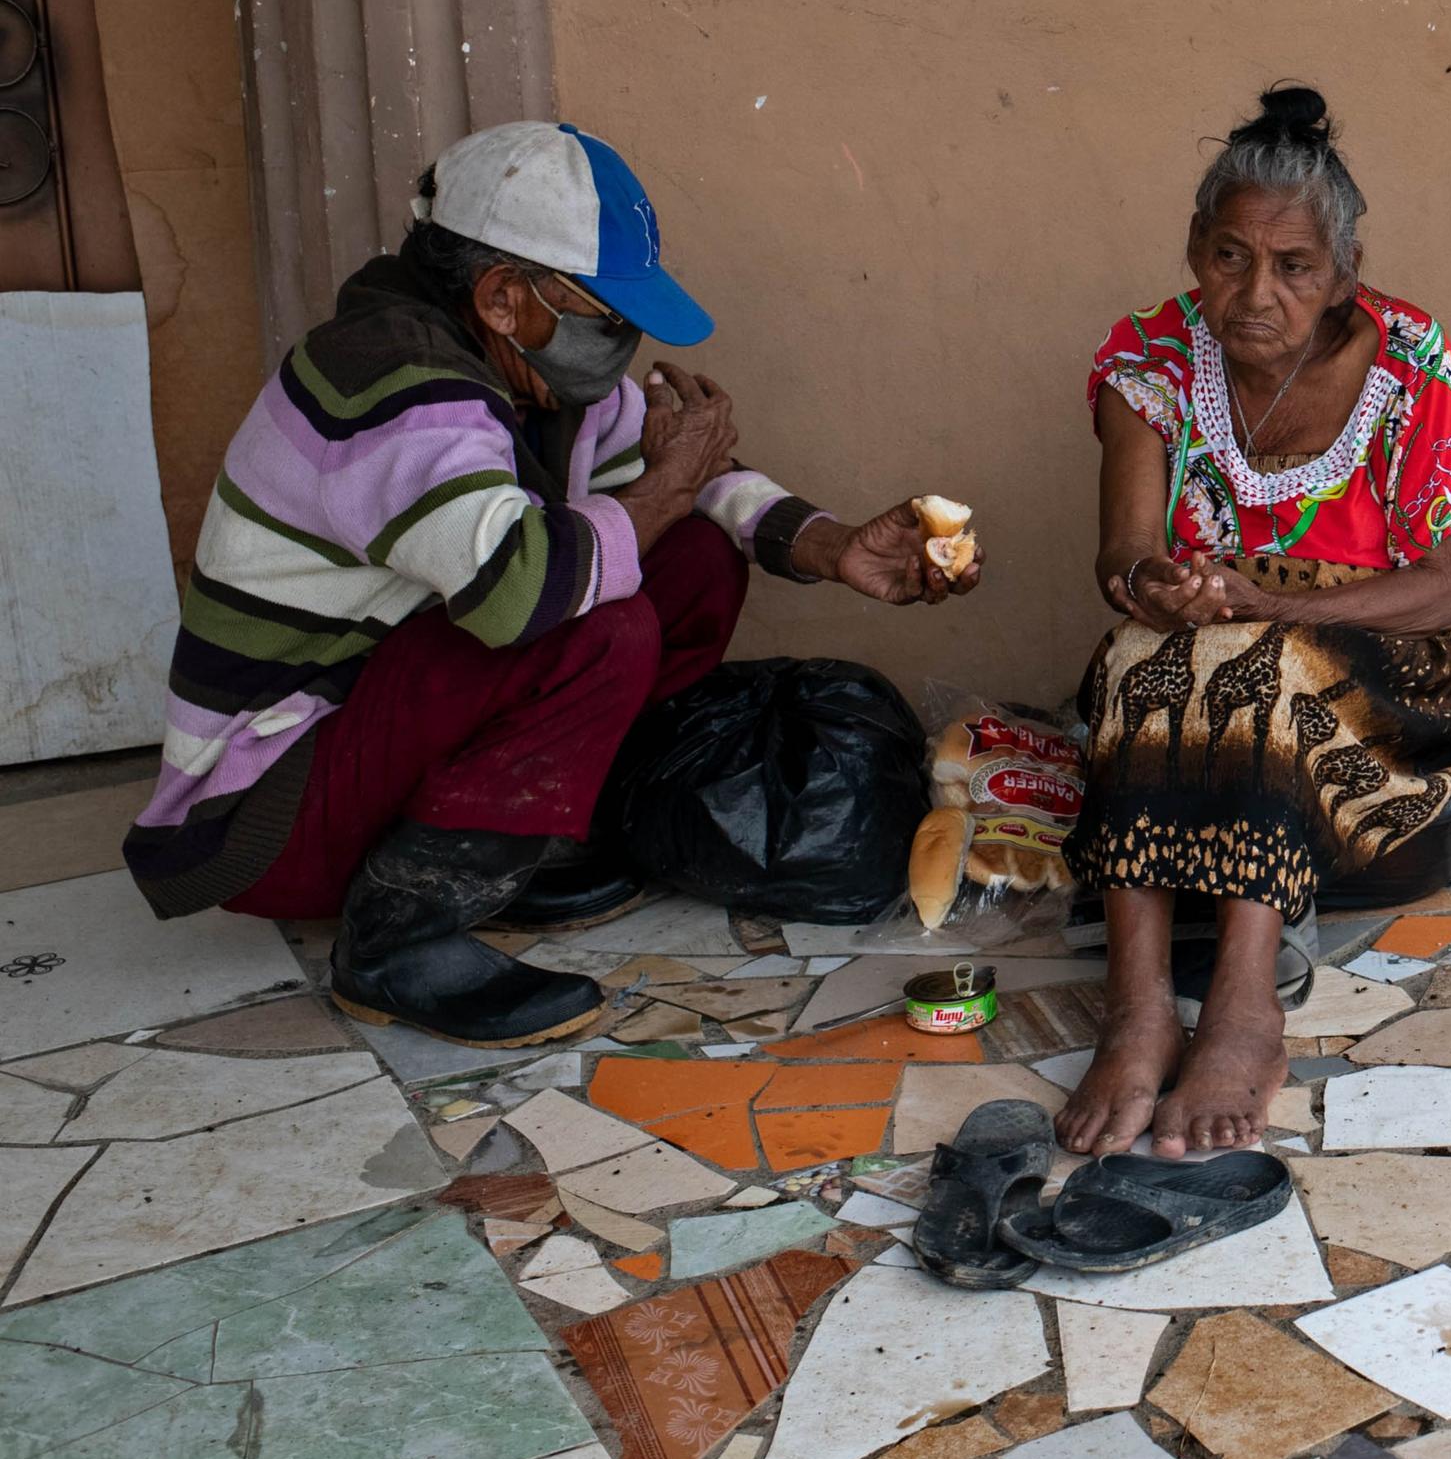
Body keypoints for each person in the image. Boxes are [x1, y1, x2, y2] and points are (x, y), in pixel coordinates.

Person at [121, 122, 981, 1047]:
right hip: (265, 815)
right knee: (591, 629)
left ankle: (528, 842)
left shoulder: (527, 372)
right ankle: (395, 937)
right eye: (606, 314)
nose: (622, 342)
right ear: (502, 298)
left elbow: (690, 493)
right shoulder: (398, 382)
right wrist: (667, 482)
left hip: (362, 737)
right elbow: (518, 591)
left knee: (689, 557)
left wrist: (831, 543)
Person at [1058, 86, 1451, 1158]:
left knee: (1259, 668)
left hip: (1411, 656)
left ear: (1343, 274)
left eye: (1293, 267)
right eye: (1228, 257)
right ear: (1193, 251)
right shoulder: (1151, 363)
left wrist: (1274, 603)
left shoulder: (1411, 364)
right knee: (1142, 657)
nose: (1254, 293)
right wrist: (1154, 586)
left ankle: (1241, 1013)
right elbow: (1119, 555)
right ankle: (1134, 1015)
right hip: (1225, 625)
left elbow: (1444, 586)